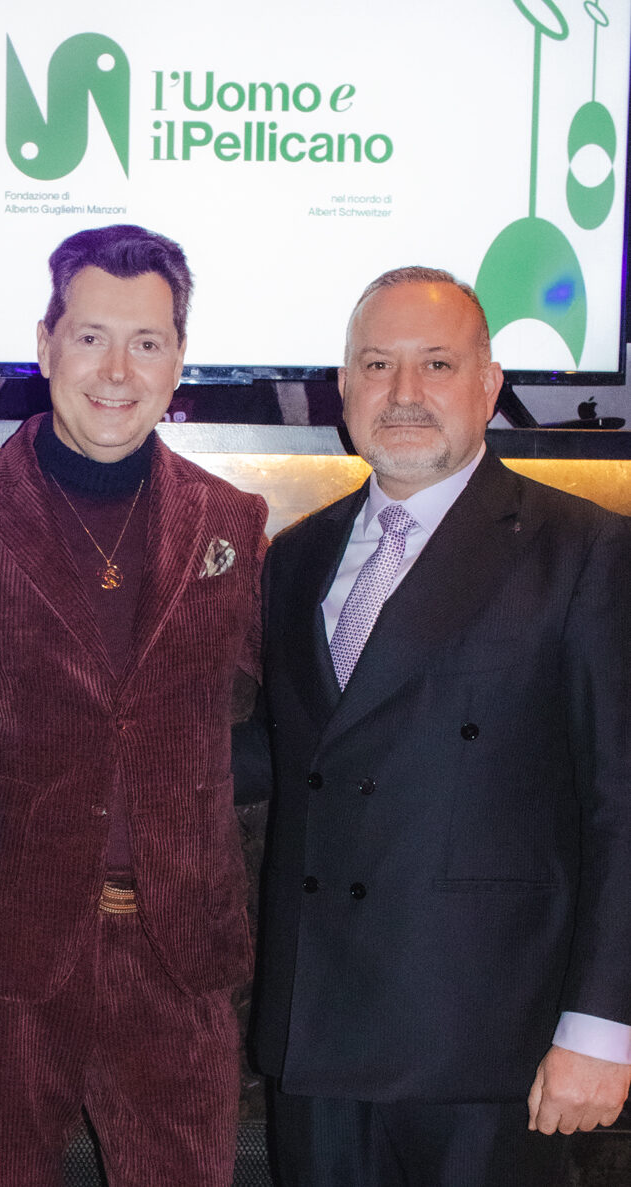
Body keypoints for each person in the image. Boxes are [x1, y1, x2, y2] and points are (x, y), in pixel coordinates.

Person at [0, 225, 268, 1185]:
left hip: (178, 957)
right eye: (91, 336)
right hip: (0, 960)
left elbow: (280, 711)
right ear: (45, 343)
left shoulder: (232, 523)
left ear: (179, 358)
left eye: (147, 342)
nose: (117, 370)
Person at [248, 267, 631, 1186]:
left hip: (491, 1046)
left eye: (437, 364)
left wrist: (601, 1026)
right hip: (316, 1033)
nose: (405, 392)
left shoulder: (583, 550)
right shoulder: (297, 555)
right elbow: (288, 754)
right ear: (344, 388)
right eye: (378, 364)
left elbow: (621, 800)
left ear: (489, 385)